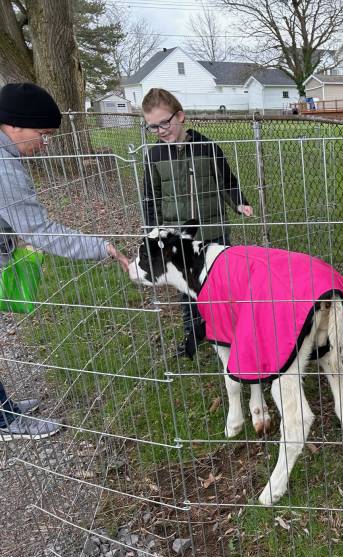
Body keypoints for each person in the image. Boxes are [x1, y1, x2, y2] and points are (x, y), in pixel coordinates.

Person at [0, 82, 130, 440]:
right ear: (13, 125)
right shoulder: (4, 167)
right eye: (41, 133)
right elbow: (40, 230)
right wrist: (102, 248)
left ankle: (3, 409)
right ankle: (6, 422)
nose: (44, 143)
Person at [140, 88, 253, 359]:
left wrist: (239, 202)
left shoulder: (207, 147)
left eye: (164, 123)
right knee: (187, 289)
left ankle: (230, 333)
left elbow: (227, 182)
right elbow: (150, 196)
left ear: (180, 116)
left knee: (221, 285)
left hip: (213, 233)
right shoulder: (154, 157)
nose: (160, 131)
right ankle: (194, 333)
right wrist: (152, 230)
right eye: (152, 127)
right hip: (178, 238)